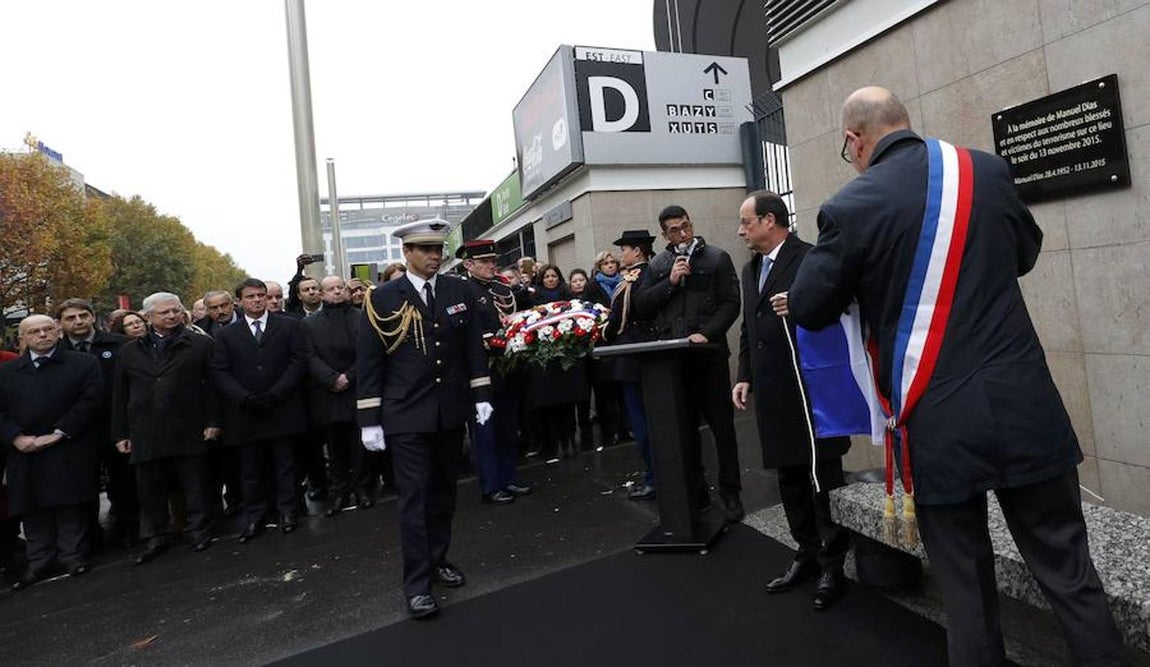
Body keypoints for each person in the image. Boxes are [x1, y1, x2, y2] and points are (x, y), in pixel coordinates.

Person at [782, 86, 1123, 666]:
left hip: (937, 422)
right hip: (1024, 406)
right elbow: (1025, 253)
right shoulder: (984, 172)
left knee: (965, 589)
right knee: (1068, 572)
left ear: (853, 141)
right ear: (904, 122)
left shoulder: (851, 206)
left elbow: (811, 306)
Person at [356, 219, 493, 619]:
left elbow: (472, 347)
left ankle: (437, 559)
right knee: (413, 499)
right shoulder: (382, 298)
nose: (435, 256)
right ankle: (416, 583)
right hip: (405, 414)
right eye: (425, 249)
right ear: (407, 252)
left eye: (439, 249)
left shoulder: (458, 289)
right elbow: (369, 361)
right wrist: (369, 418)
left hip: (449, 410)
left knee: (443, 494)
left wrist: (481, 393)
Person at [731, 191, 852, 610]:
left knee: (821, 476)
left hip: (810, 390)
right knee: (790, 477)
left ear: (769, 220)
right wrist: (744, 375)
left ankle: (834, 563)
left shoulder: (810, 258)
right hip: (773, 391)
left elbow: (840, 306)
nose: (741, 230)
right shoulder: (750, 270)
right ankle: (807, 552)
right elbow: (749, 326)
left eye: (746, 221)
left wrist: (799, 305)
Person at [634, 205, 744, 522]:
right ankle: (697, 492)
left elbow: (731, 303)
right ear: (664, 234)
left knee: (722, 427)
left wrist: (706, 334)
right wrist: (669, 281)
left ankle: (731, 491)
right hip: (674, 359)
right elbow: (642, 305)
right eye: (674, 230)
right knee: (684, 429)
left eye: (686, 227)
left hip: (708, 355)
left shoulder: (717, 258)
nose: (682, 234)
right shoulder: (657, 264)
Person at [111, 293, 220, 564]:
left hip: (188, 424)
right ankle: (156, 536)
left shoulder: (199, 345)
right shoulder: (129, 351)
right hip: (144, 429)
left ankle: (199, 530)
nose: (172, 316)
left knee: (194, 483)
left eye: (175, 311)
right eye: (164, 313)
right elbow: (120, 395)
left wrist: (213, 421)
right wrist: (121, 433)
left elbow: (213, 388)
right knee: (149, 487)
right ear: (148, 317)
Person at [0, 315, 103, 591]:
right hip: (24, 449)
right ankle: (39, 561)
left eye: (48, 329)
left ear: (58, 331)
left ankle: (73, 556)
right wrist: (16, 437)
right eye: (34, 331)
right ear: (22, 338)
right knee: (31, 508)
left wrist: (59, 432)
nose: (42, 335)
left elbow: (90, 401)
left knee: (70, 504)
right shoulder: (7, 372)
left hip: (67, 444)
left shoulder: (83, 364)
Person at [212, 278, 309, 542]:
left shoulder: (289, 326)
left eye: (261, 295)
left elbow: (298, 361)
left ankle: (288, 511)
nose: (257, 300)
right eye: (251, 296)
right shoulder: (225, 335)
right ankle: (255, 516)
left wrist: (277, 393)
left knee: (285, 465)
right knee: (251, 470)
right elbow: (220, 372)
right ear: (239, 302)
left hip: (282, 407)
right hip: (246, 413)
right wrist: (244, 398)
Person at [57, 298, 138, 547]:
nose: (78, 321)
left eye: (83, 315)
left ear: (92, 317)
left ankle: (132, 532)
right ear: (60, 323)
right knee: (83, 487)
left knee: (125, 482)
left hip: (117, 426)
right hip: (78, 432)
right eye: (71, 318)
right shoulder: (57, 353)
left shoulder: (120, 345)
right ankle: (91, 538)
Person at [456, 240, 532, 505]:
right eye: (484, 262)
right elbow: (460, 332)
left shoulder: (500, 287)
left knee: (508, 428)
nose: (491, 266)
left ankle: (509, 477)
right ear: (468, 265)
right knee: (485, 431)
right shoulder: (461, 290)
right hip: (481, 370)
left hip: (508, 366)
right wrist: (487, 341)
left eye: (493, 261)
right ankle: (491, 484)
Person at [302, 276, 373, 517]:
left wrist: (348, 377)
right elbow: (309, 356)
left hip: (356, 390)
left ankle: (362, 489)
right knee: (334, 447)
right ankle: (339, 492)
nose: (336, 292)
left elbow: (368, 353)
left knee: (358, 444)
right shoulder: (310, 324)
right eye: (330, 289)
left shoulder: (362, 317)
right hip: (328, 393)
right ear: (321, 295)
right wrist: (331, 378)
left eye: (340, 288)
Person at [601, 231, 659, 500]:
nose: (620, 254)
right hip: (640, 359)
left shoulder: (638, 276)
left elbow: (619, 320)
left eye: (623, 248)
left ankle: (654, 477)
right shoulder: (642, 273)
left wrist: (600, 332)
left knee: (643, 425)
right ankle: (655, 474)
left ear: (637, 251)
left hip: (634, 358)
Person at [527, 265, 588, 459]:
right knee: (552, 405)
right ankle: (558, 443)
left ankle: (570, 440)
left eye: (554, 276)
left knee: (568, 403)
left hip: (567, 358)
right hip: (546, 360)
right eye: (547, 276)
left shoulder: (569, 296)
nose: (551, 279)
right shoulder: (534, 299)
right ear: (541, 279)